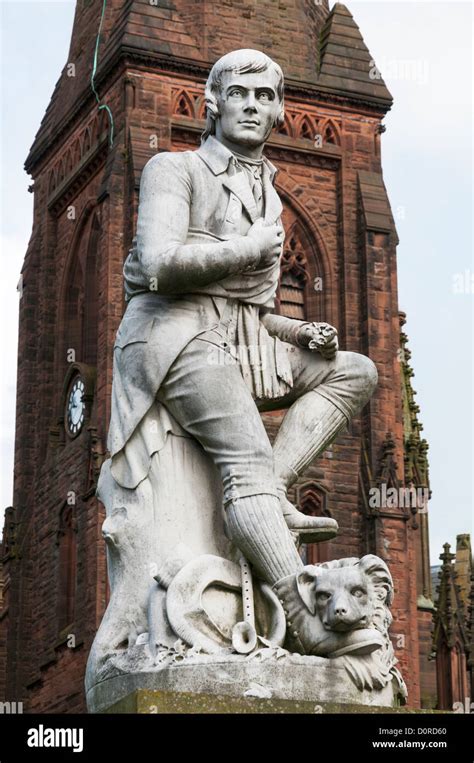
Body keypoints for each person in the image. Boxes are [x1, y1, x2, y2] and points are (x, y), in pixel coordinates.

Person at [106, 49, 378, 651]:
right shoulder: (173, 170)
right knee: (246, 459)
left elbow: (253, 310)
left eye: (264, 96)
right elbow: (154, 266)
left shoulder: (269, 193)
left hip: (241, 338)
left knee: (356, 371)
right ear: (213, 106)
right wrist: (246, 250)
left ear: (279, 110)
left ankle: (268, 494)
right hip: (174, 332)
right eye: (239, 94)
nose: (252, 106)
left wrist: (298, 333)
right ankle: (303, 620)